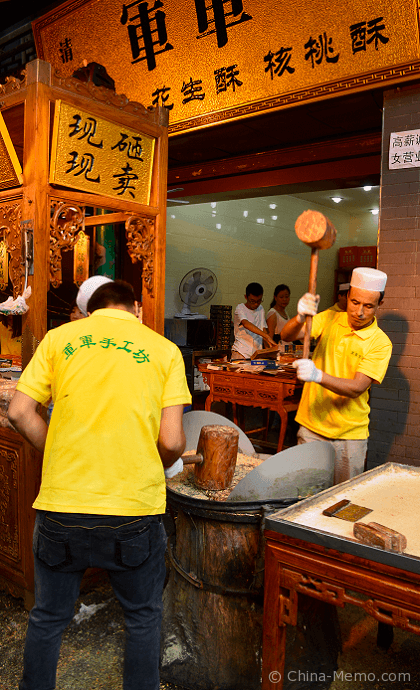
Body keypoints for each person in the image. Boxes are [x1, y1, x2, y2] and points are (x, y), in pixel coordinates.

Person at [8, 279, 191, 690]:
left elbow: (19, 413)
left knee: (48, 617)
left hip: (62, 506)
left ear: (91, 312)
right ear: (137, 309)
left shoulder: (60, 339)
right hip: (133, 512)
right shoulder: (163, 350)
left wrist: (53, 450)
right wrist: (153, 463)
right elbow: (174, 441)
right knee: (142, 617)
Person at [280, 267, 392, 485]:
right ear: (347, 297)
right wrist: (300, 317)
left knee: (342, 501)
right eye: (355, 302)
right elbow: (287, 335)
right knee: (303, 494)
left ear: (380, 305)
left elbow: (357, 387)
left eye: (368, 306)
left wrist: (318, 375)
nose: (359, 312)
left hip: (349, 437)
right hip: (311, 426)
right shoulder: (330, 318)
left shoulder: (380, 342)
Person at [231, 282, 276, 359]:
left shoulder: (261, 309)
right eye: (252, 301)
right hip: (241, 352)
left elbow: (263, 329)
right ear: (246, 297)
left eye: (259, 301)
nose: (256, 304)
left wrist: (269, 348)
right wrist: (266, 336)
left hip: (256, 354)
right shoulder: (240, 308)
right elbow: (246, 324)